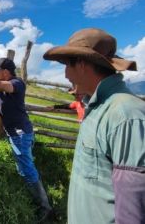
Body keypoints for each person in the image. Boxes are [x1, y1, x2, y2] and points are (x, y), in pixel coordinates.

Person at [43, 28, 145, 224]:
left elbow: (133, 214)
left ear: (81, 64)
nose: (65, 75)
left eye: (66, 65)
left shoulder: (126, 115)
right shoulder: (98, 107)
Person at [0, 57, 52, 222]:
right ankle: (37, 194)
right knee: (26, 165)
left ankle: (45, 208)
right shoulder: (4, 82)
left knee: (26, 168)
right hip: (18, 132)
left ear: (5, 72)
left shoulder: (17, 83)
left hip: (21, 134)